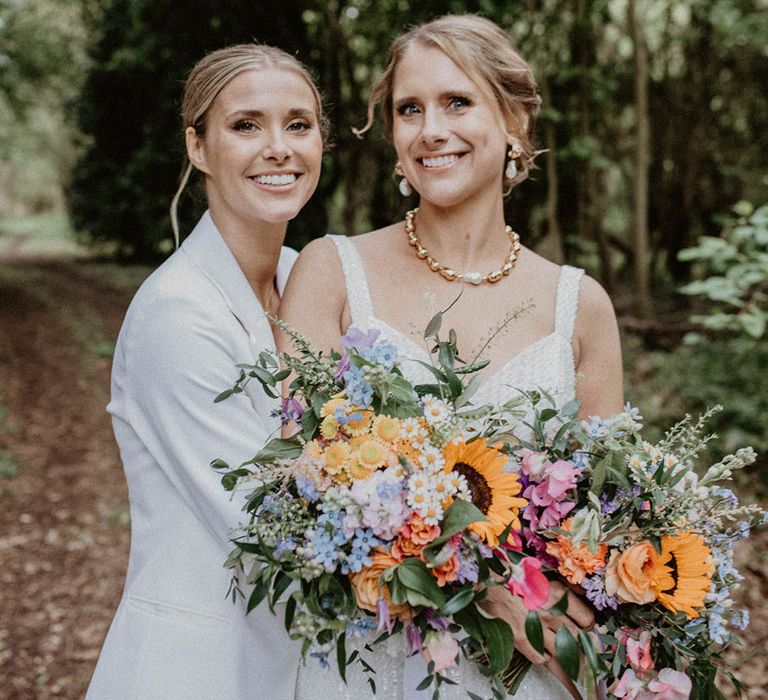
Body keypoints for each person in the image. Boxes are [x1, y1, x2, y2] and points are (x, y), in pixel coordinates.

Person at [279, 14, 623, 700]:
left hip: (530, 669)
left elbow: (606, 516)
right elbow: (300, 474)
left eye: (457, 103)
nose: (430, 129)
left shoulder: (580, 305)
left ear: (516, 122)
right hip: (375, 660)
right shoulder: (331, 271)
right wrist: (489, 589)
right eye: (410, 109)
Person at [86, 44, 325, 699]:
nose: (279, 147)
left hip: (306, 658)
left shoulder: (310, 280)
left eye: (298, 124)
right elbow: (268, 525)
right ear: (197, 147)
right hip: (198, 664)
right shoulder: (176, 313)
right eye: (246, 125)